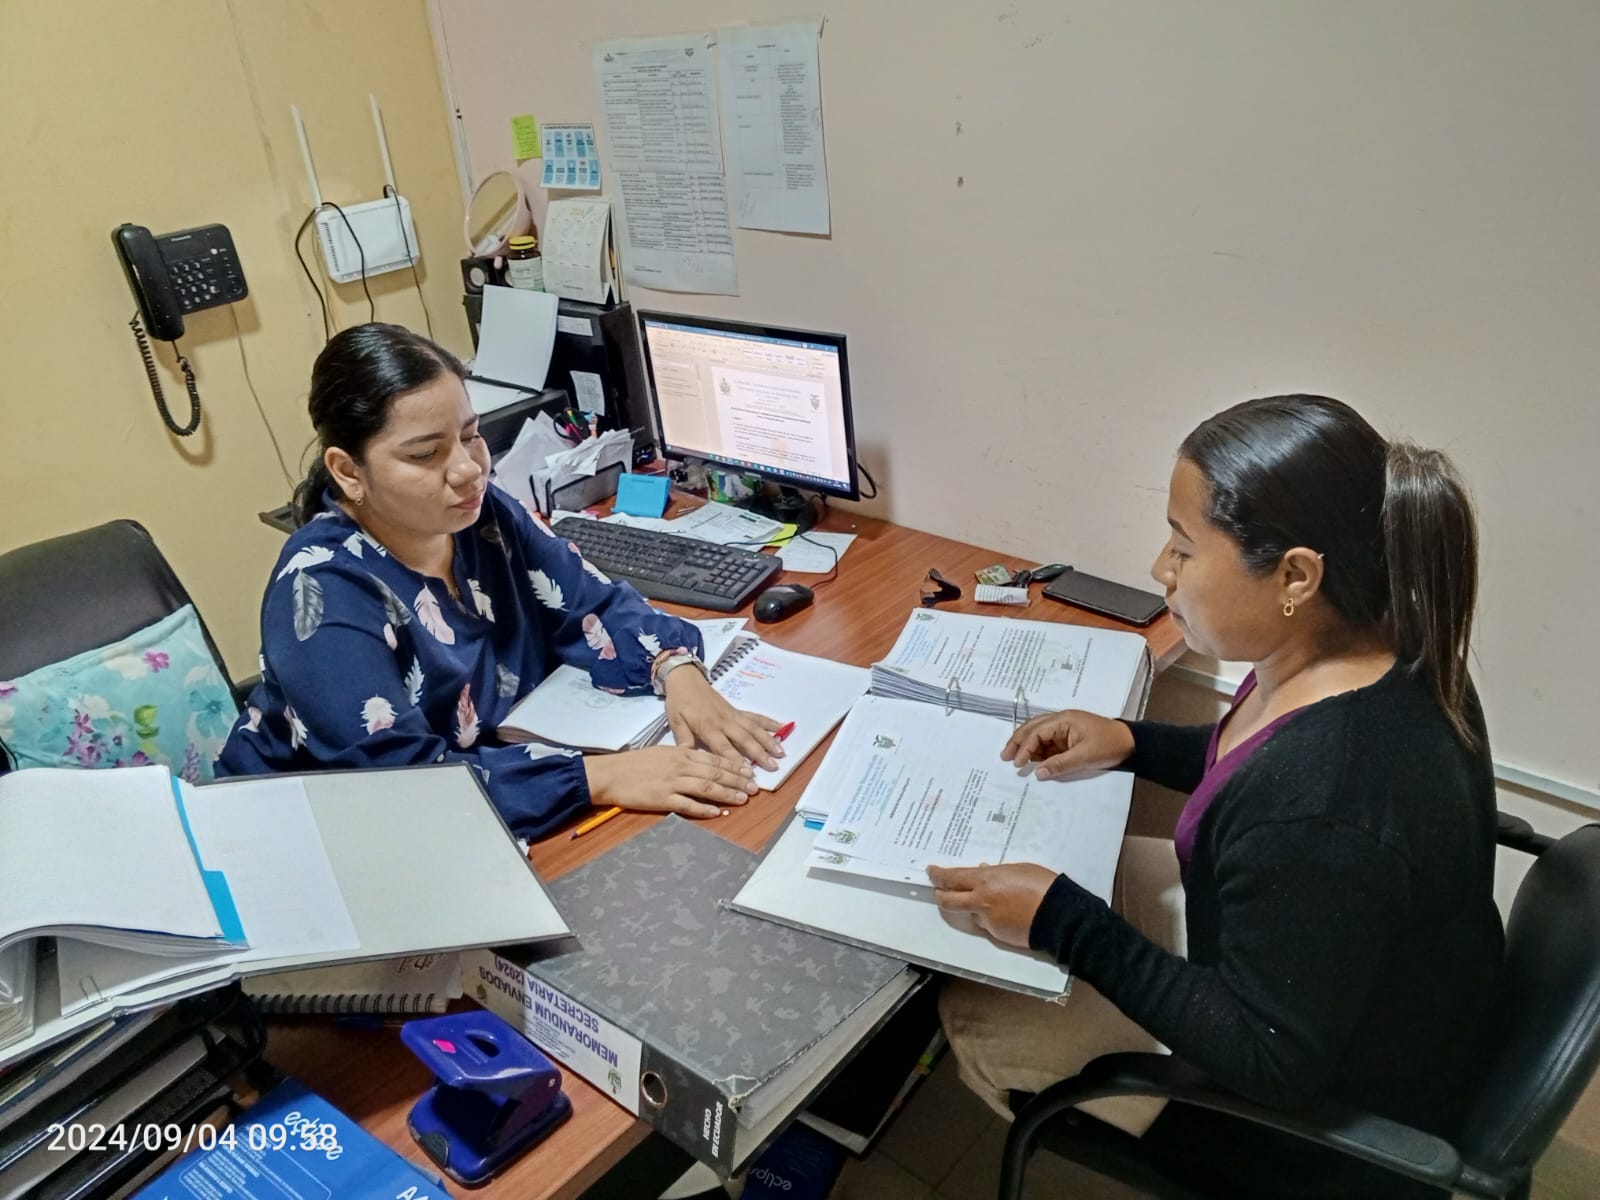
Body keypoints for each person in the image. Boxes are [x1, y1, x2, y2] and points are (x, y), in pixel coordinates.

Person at [929, 395, 1504, 1199]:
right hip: (1338, 977)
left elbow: (1269, 1058)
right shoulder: (1386, 648)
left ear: (1296, 576)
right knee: (1066, 880)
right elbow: (1251, 758)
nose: (1160, 570)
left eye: (1183, 547)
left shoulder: (1323, 806)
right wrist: (1132, 741)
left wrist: (1064, 922)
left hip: (1308, 1126)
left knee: (971, 1004)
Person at [217, 323, 785, 838]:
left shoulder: (480, 514)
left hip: (490, 779)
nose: (468, 469)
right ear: (348, 471)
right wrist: (600, 778)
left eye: (470, 435)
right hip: (307, 840)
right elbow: (405, 788)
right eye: (426, 454)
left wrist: (677, 670)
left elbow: (590, 601)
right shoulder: (320, 593)